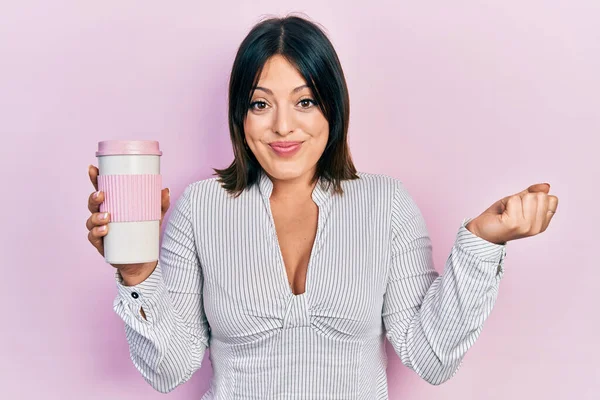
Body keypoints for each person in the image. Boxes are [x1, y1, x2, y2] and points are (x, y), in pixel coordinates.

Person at [85, 14, 558, 399]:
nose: (283, 127)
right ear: (239, 115)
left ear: (333, 107)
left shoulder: (385, 203)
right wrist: (136, 273)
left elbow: (430, 357)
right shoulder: (200, 208)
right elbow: (170, 370)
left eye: (305, 101)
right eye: (260, 104)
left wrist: (481, 243)